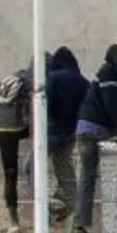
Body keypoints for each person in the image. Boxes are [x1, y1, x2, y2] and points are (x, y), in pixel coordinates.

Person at [72, 44, 117, 233]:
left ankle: (81, 221)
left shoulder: (101, 74)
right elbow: (112, 105)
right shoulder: (109, 76)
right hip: (99, 130)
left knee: (87, 176)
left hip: (83, 129)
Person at [0, 68, 32, 233]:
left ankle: (14, 221)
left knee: (10, 175)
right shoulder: (32, 82)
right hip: (17, 127)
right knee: (31, 166)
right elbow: (31, 111)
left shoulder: (10, 79)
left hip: (2, 129)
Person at [41, 46, 85, 215]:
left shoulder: (53, 78)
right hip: (72, 131)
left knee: (32, 165)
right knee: (63, 164)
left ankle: (42, 202)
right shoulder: (83, 81)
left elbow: (46, 105)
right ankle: (73, 202)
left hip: (53, 130)